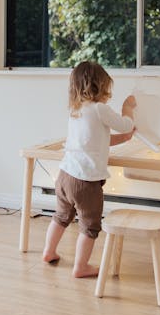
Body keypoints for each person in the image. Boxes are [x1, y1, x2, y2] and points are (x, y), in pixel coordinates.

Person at [42, 61, 136, 278]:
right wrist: (128, 110)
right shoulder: (99, 109)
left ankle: (49, 251)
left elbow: (97, 140)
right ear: (99, 86)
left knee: (61, 216)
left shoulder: (76, 110)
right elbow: (125, 124)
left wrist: (125, 138)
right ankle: (81, 267)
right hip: (86, 183)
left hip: (65, 176)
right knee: (90, 226)